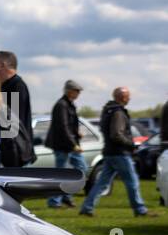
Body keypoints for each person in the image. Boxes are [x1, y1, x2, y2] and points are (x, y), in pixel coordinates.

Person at [80, 87, 156, 217]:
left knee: (102, 183)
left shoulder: (108, 110)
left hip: (110, 152)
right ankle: (140, 210)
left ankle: (87, 208)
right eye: (128, 96)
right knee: (132, 182)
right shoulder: (118, 113)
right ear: (122, 97)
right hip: (120, 153)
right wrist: (131, 144)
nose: (130, 98)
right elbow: (116, 134)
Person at [44, 80, 87, 208]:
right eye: (77, 91)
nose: (78, 93)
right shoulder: (61, 105)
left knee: (80, 170)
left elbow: (69, 125)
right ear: (69, 91)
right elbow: (63, 127)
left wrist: (77, 133)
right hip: (63, 146)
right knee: (61, 174)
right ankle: (54, 201)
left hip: (70, 144)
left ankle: (66, 197)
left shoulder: (69, 104)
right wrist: (74, 144)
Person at [0, 51, 34, 167]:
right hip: (10, 154)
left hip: (17, 156)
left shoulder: (16, 86)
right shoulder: (5, 86)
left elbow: (12, 126)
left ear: (2, 65)